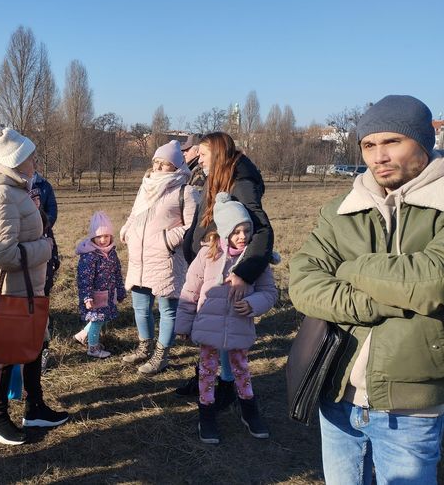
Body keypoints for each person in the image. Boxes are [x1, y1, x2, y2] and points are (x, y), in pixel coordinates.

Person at [289, 95, 444, 484]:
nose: (379, 156)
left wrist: (348, 267)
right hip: (337, 391)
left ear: (424, 144)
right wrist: (376, 301)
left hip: (411, 406)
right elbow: (303, 283)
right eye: (369, 145)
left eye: (392, 142)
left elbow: (432, 281)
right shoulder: (342, 208)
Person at [0, 123, 69, 446]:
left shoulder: (14, 189)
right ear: (17, 160)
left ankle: (34, 406)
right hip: (10, 288)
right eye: (32, 159)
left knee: (33, 345)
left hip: (27, 286)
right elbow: (5, 254)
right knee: (6, 353)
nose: (35, 164)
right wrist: (45, 248)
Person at [178, 132, 274, 430]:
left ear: (217, 154)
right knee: (211, 336)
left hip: (226, 271)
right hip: (207, 262)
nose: (198, 158)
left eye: (203, 154)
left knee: (227, 341)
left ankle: (229, 393)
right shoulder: (217, 175)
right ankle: (206, 383)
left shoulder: (241, 182)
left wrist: (245, 273)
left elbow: (260, 230)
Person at [120, 140, 197, 374]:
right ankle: (145, 347)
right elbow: (135, 214)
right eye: (156, 163)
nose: (158, 168)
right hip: (140, 259)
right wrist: (126, 231)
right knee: (140, 308)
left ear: (175, 167)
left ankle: (162, 355)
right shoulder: (146, 186)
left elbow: (192, 226)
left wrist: (167, 241)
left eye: (164, 165)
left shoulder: (186, 190)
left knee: (168, 309)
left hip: (166, 259)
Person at [73, 211, 126, 358]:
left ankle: (83, 335)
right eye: (99, 237)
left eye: (106, 236)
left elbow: (117, 272)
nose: (103, 240)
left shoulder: (112, 252)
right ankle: (93, 348)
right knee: (97, 321)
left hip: (107, 294)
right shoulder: (90, 255)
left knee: (100, 319)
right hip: (94, 296)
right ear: (92, 237)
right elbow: (85, 279)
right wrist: (87, 297)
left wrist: (120, 290)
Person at [29, 168, 60, 371]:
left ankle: (43, 349)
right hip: (22, 262)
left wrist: (42, 226)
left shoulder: (44, 185)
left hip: (43, 252)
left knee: (41, 305)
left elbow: (53, 211)